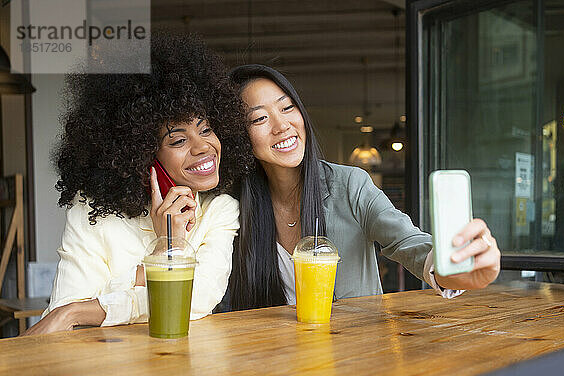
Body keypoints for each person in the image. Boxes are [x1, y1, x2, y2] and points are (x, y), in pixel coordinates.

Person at [23, 33, 253, 335]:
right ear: (142, 153)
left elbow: (198, 298)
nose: (203, 147)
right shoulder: (90, 209)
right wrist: (160, 262)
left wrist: (171, 247)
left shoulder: (220, 210)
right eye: (179, 140)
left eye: (206, 129)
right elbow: (62, 310)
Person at [227, 64, 501, 310]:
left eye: (287, 107)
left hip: (354, 358)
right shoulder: (231, 208)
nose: (282, 125)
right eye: (259, 118)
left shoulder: (349, 185)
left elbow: (405, 240)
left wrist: (450, 268)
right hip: (268, 360)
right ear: (240, 135)